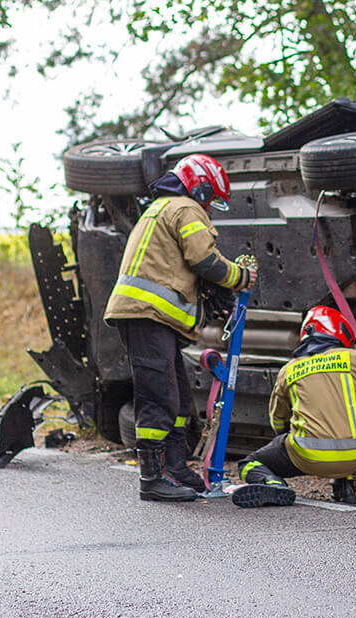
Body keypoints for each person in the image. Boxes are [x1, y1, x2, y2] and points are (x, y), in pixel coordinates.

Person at [104, 153, 254, 502]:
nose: (212, 207)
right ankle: (152, 478)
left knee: (178, 396)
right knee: (158, 394)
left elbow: (178, 266)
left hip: (151, 316)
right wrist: (240, 277)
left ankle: (175, 467)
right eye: (213, 199)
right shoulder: (185, 208)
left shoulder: (164, 207)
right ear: (200, 187)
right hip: (147, 314)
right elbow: (204, 259)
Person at [231, 304, 356, 508]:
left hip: (306, 458)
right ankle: (344, 487)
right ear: (340, 331)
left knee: (248, 463)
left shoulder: (290, 369)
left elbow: (278, 423)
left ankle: (273, 484)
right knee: (345, 425)